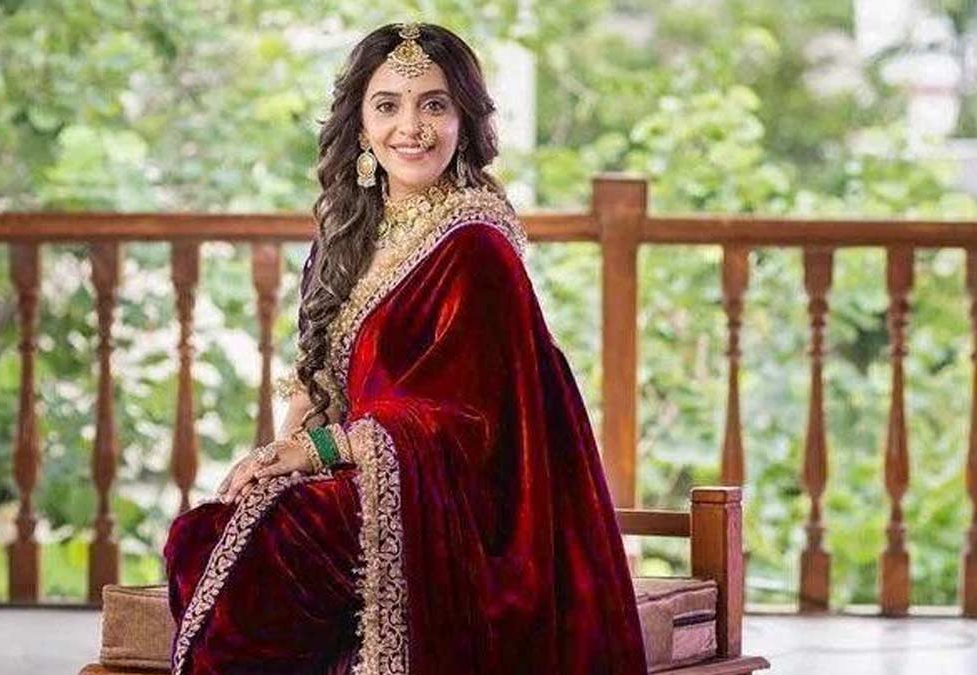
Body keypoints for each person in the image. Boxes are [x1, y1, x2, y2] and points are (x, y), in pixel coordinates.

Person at [164, 22, 647, 675]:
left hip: (460, 503)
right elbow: (318, 382)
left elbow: (467, 422)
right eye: (388, 105)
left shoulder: (476, 246)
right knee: (204, 533)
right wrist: (279, 461)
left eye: (434, 105)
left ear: (463, 122)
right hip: (368, 478)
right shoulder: (347, 236)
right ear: (362, 126)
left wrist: (317, 451)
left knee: (276, 550)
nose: (410, 127)